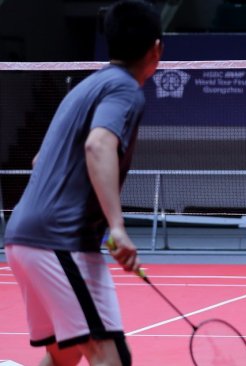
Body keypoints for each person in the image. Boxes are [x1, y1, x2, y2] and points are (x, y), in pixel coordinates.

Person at [3, 1, 162, 364]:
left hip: (22, 238)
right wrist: (117, 226)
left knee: (65, 354)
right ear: (157, 49)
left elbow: (40, 161)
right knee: (111, 355)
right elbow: (98, 144)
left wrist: (97, 226)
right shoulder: (125, 90)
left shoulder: (88, 86)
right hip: (59, 239)